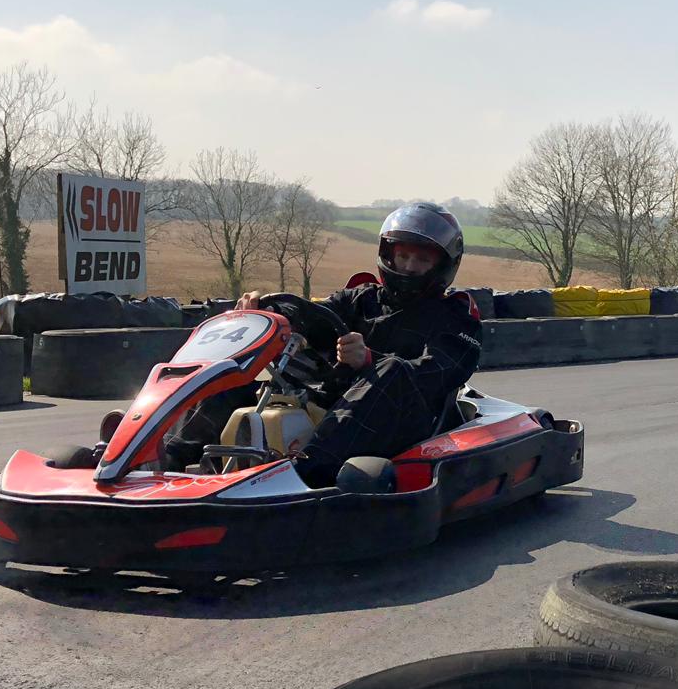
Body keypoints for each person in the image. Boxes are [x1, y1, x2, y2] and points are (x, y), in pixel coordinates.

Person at [166, 202, 482, 486]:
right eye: (403, 256)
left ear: (442, 265)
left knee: (393, 369)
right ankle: (172, 454)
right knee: (241, 370)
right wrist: (267, 312)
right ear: (388, 255)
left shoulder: (454, 315)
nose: (409, 267)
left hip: (407, 421)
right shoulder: (361, 299)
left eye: (422, 259)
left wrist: (369, 360)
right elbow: (310, 315)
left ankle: (305, 473)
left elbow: (441, 373)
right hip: (340, 412)